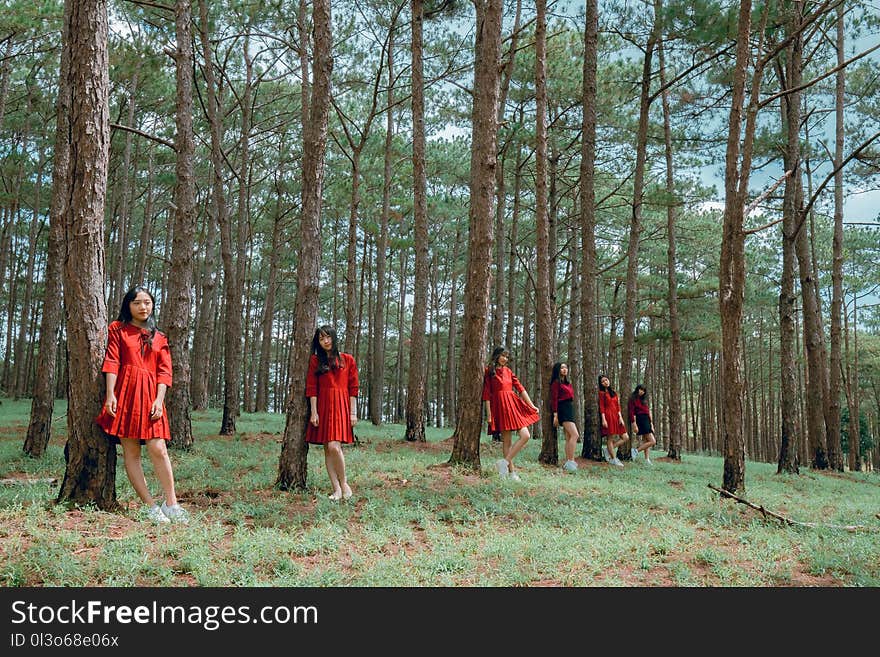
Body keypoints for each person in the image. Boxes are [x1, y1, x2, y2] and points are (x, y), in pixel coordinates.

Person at [96, 286, 188, 524]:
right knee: (132, 452)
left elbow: (164, 372)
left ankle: (172, 504)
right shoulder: (117, 330)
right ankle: (150, 506)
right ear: (128, 305)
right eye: (137, 302)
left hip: (151, 397)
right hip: (125, 394)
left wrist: (159, 400)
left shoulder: (160, 337)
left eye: (147, 302)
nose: (143, 307)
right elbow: (112, 362)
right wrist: (110, 395)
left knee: (158, 448)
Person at [306, 325, 359, 501]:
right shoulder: (316, 361)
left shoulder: (348, 360)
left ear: (334, 338)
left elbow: (353, 389)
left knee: (334, 447)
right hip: (323, 406)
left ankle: (344, 483)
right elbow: (312, 388)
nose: (325, 341)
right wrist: (314, 412)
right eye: (321, 339)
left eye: (328, 337)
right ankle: (336, 489)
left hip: (342, 406)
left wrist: (353, 413)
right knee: (327, 450)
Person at [482, 346, 540, 481]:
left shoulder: (508, 371)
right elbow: (486, 394)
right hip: (500, 407)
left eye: (507, 357)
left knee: (525, 435)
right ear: (497, 356)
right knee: (506, 442)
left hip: (513, 406)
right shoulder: (489, 371)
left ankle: (504, 462)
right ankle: (511, 473)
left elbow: (521, 389)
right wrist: (489, 415)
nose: (505, 359)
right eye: (503, 355)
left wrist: (532, 405)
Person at [550, 362, 579, 472]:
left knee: (569, 437)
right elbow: (554, 399)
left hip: (569, 408)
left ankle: (568, 461)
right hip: (562, 409)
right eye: (562, 368)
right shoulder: (556, 383)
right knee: (575, 435)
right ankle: (571, 461)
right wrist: (555, 415)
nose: (564, 370)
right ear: (558, 370)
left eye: (566, 367)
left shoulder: (568, 383)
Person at [598, 374, 627, 467]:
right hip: (608, 416)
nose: (605, 382)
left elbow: (618, 406)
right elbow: (601, 407)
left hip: (616, 416)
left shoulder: (614, 392)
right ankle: (614, 459)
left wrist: (621, 417)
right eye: (603, 381)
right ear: (601, 384)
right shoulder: (601, 393)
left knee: (625, 437)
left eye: (606, 380)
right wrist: (603, 419)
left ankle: (608, 450)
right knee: (610, 438)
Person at [628, 384, 656, 464]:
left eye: (643, 390)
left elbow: (648, 411)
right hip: (641, 419)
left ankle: (647, 459)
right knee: (652, 441)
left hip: (647, 420)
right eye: (640, 389)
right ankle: (635, 451)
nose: (642, 392)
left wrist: (651, 423)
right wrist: (634, 423)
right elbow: (631, 412)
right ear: (637, 389)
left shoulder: (644, 400)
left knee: (646, 440)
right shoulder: (633, 399)